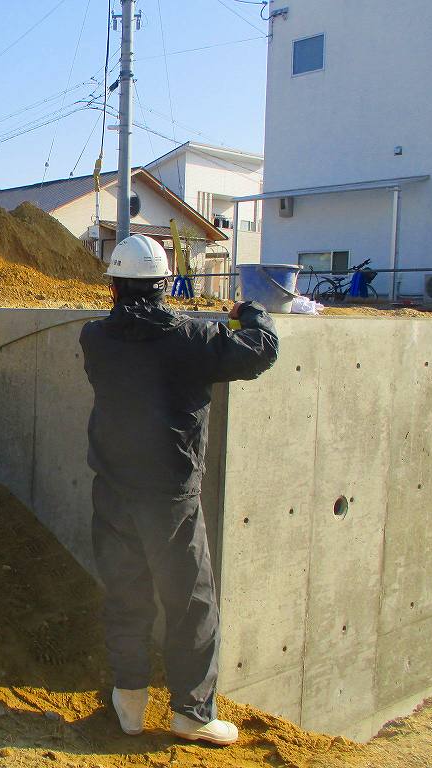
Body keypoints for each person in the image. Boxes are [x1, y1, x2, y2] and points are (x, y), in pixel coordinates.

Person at [79, 234, 278, 746]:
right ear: (163, 285)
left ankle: (129, 705)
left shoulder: (95, 338)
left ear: (115, 288)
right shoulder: (192, 339)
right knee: (190, 604)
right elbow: (260, 352)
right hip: (169, 497)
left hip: (113, 492)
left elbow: (133, 335)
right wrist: (251, 313)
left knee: (126, 596)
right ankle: (191, 712)